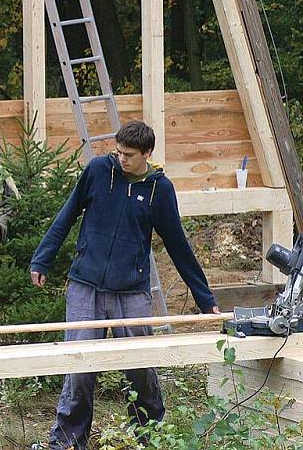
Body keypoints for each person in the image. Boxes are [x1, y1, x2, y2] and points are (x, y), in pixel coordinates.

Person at [29, 121, 219, 450]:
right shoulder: (99, 171)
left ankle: (150, 437)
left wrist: (205, 300)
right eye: (118, 152)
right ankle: (68, 442)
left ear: (147, 153)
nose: (121, 159)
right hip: (85, 285)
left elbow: (178, 245)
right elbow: (68, 213)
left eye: (129, 155)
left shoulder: (160, 190)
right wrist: (42, 259)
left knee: (140, 368)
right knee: (79, 367)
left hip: (131, 292)